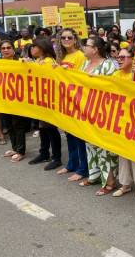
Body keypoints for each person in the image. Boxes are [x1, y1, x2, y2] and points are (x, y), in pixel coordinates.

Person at [79, 36, 118, 196]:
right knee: (90, 144)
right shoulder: (84, 64)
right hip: (86, 111)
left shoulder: (108, 65)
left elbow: (112, 88)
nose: (83, 48)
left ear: (95, 49)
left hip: (102, 112)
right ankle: (94, 175)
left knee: (104, 147)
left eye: (86, 46)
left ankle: (109, 181)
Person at [111, 46, 135, 200]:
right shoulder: (115, 74)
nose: (119, 59)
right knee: (123, 153)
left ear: (132, 59)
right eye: (118, 57)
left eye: (123, 57)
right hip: (121, 118)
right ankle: (125, 184)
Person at [55, 28, 88, 182]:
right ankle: (72, 164)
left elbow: (81, 78)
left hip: (77, 101)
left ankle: (83, 169)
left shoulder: (80, 56)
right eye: (63, 37)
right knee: (69, 135)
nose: (66, 40)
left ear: (75, 39)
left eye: (69, 37)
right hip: (65, 101)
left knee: (79, 136)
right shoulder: (62, 56)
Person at [27, 38, 62, 171]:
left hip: (49, 101)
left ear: (42, 48)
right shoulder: (37, 61)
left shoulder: (48, 61)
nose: (32, 49)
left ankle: (56, 157)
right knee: (42, 128)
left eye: (34, 46)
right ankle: (44, 153)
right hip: (40, 100)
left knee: (51, 129)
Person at [0, 40, 29, 161]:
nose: (6, 50)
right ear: (0, 50)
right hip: (3, 99)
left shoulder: (20, 61)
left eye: (8, 47)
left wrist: (27, 63)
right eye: (3, 48)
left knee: (18, 124)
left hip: (18, 99)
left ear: (13, 49)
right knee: (9, 125)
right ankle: (15, 148)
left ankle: (21, 151)